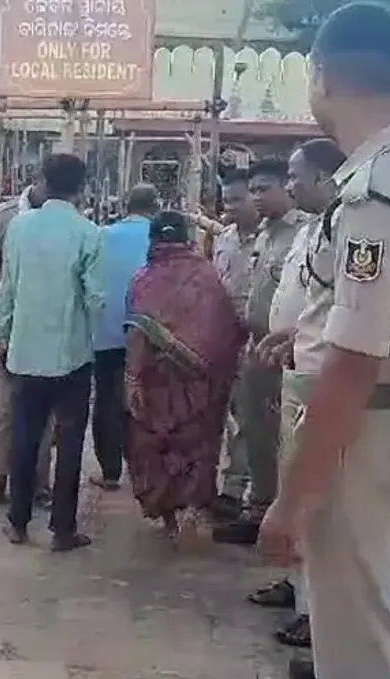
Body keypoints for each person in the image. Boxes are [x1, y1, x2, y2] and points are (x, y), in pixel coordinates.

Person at [254, 3, 390, 679]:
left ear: (321, 75)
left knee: (354, 644)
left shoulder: (377, 189)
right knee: (359, 622)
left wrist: (293, 498)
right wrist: (307, 329)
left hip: (358, 433)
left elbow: (353, 363)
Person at [245, 139, 348, 655]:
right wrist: (289, 337)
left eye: (295, 176)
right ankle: (297, 587)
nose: (289, 186)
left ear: (325, 178)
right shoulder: (313, 229)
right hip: (295, 366)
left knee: (314, 495)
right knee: (292, 478)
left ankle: (317, 614)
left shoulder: (349, 228)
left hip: (320, 377)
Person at [0, 153, 105, 551]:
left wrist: (3, 334)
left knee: (24, 438)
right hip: (72, 355)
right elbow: (96, 298)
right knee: (70, 442)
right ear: (82, 188)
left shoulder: (19, 228)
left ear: (42, 180)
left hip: (25, 352)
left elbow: (7, 288)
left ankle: (18, 522)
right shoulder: (89, 233)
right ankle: (63, 529)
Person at [123, 210, 246, 543]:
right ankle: (193, 508)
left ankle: (168, 517)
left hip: (157, 384)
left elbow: (137, 333)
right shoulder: (209, 277)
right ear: (187, 239)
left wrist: (132, 379)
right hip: (202, 384)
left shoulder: (143, 279)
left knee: (156, 445)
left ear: (152, 240)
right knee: (198, 446)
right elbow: (228, 329)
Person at [217, 158, 306, 545]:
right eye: (251, 190)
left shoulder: (304, 233)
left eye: (262, 189)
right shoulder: (265, 235)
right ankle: (257, 508)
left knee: (285, 437)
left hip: (287, 351)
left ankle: (281, 513)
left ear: (286, 187)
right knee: (255, 432)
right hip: (253, 347)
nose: (256, 197)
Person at [0, 180, 53, 510]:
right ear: (42, 181)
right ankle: (0, 478)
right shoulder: (3, 217)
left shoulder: (65, 218)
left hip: (48, 329)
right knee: (6, 408)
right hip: (12, 327)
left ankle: (40, 482)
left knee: (45, 410)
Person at [89, 183, 158, 491]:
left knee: (107, 399)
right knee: (146, 399)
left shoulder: (102, 236)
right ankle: (143, 469)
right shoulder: (160, 238)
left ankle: (110, 471)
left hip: (106, 331)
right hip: (148, 332)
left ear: (126, 206)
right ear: (155, 207)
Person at [211, 167, 259, 513]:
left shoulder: (274, 237)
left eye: (237, 199)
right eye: (226, 200)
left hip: (260, 339)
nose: (230, 207)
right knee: (229, 414)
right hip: (226, 338)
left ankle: (241, 488)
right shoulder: (224, 238)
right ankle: (232, 485)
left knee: (251, 416)